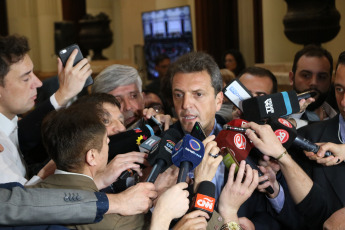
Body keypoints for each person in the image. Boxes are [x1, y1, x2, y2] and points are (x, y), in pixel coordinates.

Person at [169, 51, 281, 229]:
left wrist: (254, 226)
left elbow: (268, 215)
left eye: (198, 94)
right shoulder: (161, 152)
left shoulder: (247, 139)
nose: (185, 105)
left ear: (219, 100)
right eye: (179, 95)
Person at [29, 102, 156, 229]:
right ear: (92, 157)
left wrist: (99, 180)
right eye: (106, 142)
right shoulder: (117, 221)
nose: (109, 145)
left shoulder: (26, 196)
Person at [0, 34, 91, 185]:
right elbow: (17, 203)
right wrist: (46, 173)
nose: (38, 83)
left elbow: (25, 135)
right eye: (26, 78)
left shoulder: (12, 125)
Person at [91, 64, 171, 130]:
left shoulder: (158, 127)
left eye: (134, 96)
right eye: (117, 101)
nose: (128, 107)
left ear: (143, 98)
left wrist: (168, 128)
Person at [288, 45, 338, 128]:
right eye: (306, 75)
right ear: (292, 78)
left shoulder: (337, 117)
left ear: (330, 81)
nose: (314, 83)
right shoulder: (274, 117)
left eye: (322, 77)